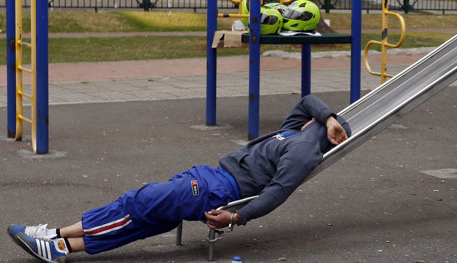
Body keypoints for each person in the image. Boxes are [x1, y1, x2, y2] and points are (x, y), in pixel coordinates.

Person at [7, 94, 351, 263]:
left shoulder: (304, 150)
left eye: (321, 119)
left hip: (214, 190)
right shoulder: (298, 131)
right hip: (210, 177)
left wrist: (236, 217)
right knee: (146, 222)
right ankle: (59, 246)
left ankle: (55, 239)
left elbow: (278, 192)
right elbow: (308, 101)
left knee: (137, 202)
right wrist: (330, 116)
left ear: (321, 131)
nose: (312, 116)